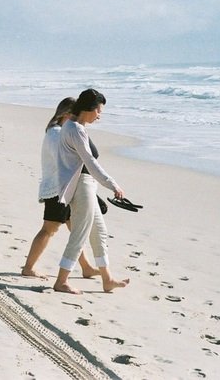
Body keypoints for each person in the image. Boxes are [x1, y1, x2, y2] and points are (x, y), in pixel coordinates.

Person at [53, 88, 129, 294]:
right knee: (80, 234)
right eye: (99, 111)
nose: (99, 116)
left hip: (84, 184)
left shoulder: (71, 126)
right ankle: (61, 281)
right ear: (89, 108)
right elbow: (90, 162)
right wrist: (112, 184)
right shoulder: (75, 129)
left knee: (99, 231)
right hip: (81, 185)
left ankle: (107, 279)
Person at [21, 97, 99, 278]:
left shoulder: (57, 131)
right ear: (66, 114)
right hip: (57, 190)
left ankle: (86, 267)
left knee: (75, 229)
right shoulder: (57, 134)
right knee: (49, 229)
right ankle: (28, 268)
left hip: (64, 188)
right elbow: (73, 158)